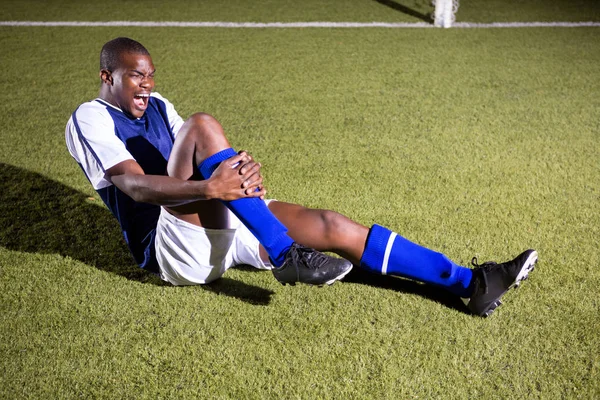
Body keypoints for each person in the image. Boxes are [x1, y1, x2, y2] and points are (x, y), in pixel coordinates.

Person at [66, 37, 537, 317]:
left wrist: (237, 171)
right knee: (203, 124)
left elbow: (198, 159)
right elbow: (132, 186)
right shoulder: (89, 118)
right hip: (169, 248)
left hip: (211, 221)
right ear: (107, 76)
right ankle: (285, 252)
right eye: (135, 77)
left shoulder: (160, 103)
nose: (146, 86)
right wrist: (213, 186)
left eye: (149, 76)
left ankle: (469, 284)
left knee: (333, 225)